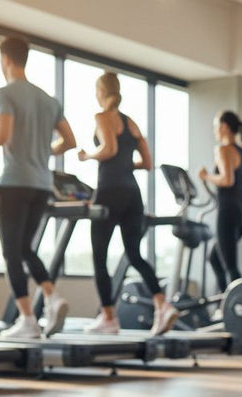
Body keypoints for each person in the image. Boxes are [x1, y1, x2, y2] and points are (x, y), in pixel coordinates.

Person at [0, 36, 76, 339]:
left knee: (11, 252)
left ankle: (28, 320)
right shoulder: (49, 100)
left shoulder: (5, 93)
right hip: (42, 184)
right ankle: (51, 296)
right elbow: (70, 141)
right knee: (25, 249)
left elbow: (2, 134)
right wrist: (46, 151)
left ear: (5, 59)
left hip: (15, 181)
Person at [76, 72, 178, 336]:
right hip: (132, 191)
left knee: (99, 256)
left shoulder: (101, 117)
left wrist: (88, 155)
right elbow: (147, 163)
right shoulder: (130, 123)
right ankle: (162, 304)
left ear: (100, 91)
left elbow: (108, 149)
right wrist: (124, 163)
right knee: (133, 253)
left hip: (109, 189)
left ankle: (108, 317)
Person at [198, 111, 242, 292]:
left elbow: (227, 180)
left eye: (216, 126)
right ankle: (226, 304)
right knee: (215, 259)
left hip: (228, 213)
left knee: (231, 267)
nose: (214, 131)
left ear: (224, 127)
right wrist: (233, 187)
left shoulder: (223, 149)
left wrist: (206, 176)